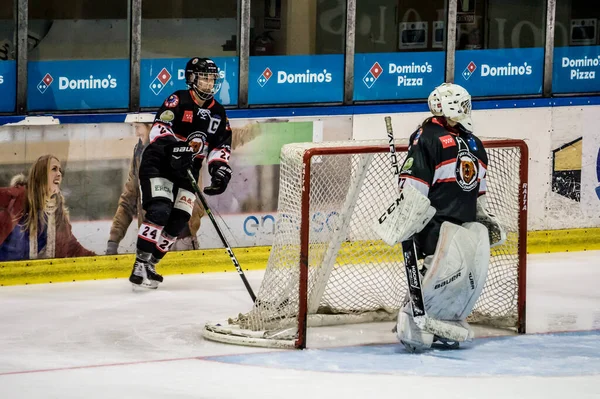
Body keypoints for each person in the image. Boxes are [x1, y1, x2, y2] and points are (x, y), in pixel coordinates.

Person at [374, 83, 505, 352]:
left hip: (450, 225)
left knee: (448, 276)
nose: (469, 110)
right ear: (452, 106)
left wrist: (406, 212)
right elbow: (471, 192)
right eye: (464, 104)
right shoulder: (460, 141)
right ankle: (418, 320)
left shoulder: (437, 138)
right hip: (449, 225)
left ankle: (438, 320)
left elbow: (418, 187)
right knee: (441, 275)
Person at [128, 57, 232, 289]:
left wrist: (220, 170)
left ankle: (152, 263)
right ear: (192, 79)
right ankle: (139, 262)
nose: (209, 83)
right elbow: (158, 130)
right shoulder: (178, 100)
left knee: (179, 220)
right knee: (160, 210)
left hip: (187, 170)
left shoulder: (219, 113)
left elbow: (220, 147)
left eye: (212, 78)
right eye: (205, 78)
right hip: (160, 164)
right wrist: (175, 147)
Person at [107, 119, 261, 255]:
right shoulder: (140, 154)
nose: (136, 132)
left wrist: (258, 128)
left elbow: (225, 139)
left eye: (138, 126)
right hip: (153, 236)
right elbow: (129, 198)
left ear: (150, 125)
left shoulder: (187, 140)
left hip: (183, 236)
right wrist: (113, 240)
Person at [0, 154, 95, 260]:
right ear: (41, 175)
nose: (59, 173)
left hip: (44, 274)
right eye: (54, 169)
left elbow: (73, 247)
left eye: (60, 170)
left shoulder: (59, 214)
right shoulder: (18, 196)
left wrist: (98, 260)